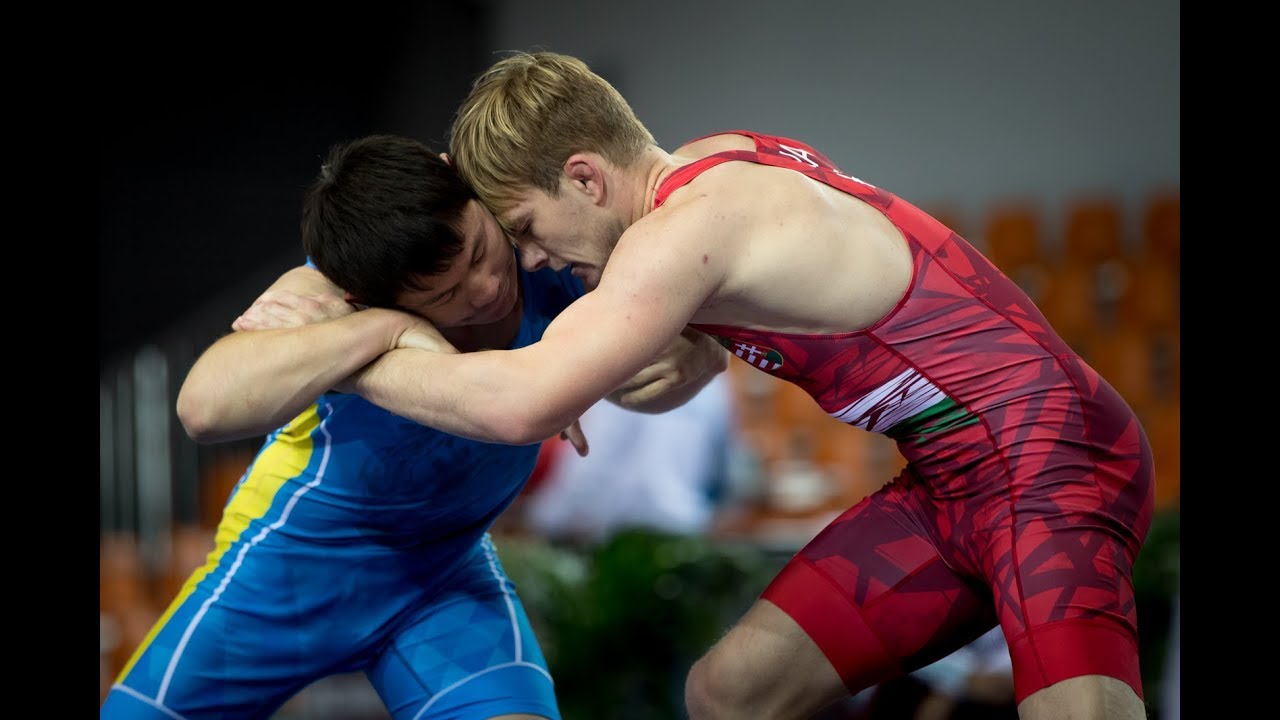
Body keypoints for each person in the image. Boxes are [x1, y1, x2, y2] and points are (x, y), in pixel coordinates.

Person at [326, 51, 1156, 720]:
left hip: (1050, 451)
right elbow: (693, 363)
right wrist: (655, 362)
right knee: (730, 694)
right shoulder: (716, 165)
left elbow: (518, 405)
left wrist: (360, 351)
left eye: (526, 231)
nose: (534, 260)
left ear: (584, 178)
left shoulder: (684, 235)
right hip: (950, 482)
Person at [99, 134, 728, 720]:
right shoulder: (330, 295)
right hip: (294, 565)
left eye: (480, 251)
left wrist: (688, 360)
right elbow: (202, 407)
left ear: (463, 182)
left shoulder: (544, 250)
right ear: (372, 292)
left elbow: (688, 367)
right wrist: (383, 330)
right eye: (444, 295)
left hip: (443, 574)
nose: (485, 289)